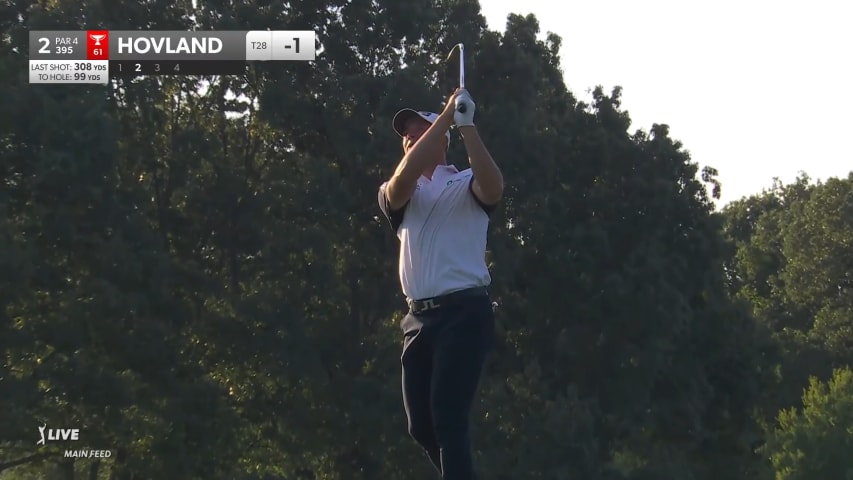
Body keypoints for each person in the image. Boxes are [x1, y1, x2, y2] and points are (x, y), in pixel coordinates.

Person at [377, 88, 503, 480]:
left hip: (464, 313)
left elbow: (494, 187)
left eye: (420, 131)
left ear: (441, 140)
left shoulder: (466, 182)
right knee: (421, 426)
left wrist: (467, 128)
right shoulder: (397, 191)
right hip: (418, 322)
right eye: (406, 134)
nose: (411, 138)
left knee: (448, 419)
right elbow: (402, 180)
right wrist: (447, 116)